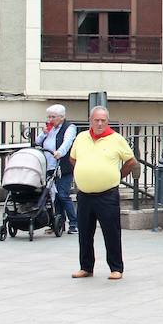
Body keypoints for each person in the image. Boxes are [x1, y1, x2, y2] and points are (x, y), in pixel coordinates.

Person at [69, 107, 136, 280]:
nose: (100, 123)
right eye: (96, 120)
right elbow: (72, 158)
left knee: (111, 232)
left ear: (107, 121)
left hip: (107, 194)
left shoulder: (116, 139)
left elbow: (131, 162)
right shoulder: (81, 137)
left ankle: (116, 268)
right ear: (90, 120)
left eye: (103, 120)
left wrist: (117, 175)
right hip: (84, 194)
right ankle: (86, 267)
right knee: (84, 232)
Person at [38, 104, 78, 235]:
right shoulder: (49, 128)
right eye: (48, 116)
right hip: (49, 167)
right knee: (53, 197)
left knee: (62, 194)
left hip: (63, 167)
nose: (50, 119)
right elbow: (37, 142)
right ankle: (58, 223)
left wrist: (60, 152)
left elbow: (68, 142)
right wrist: (43, 134)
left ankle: (74, 223)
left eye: (53, 117)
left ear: (62, 117)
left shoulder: (69, 127)